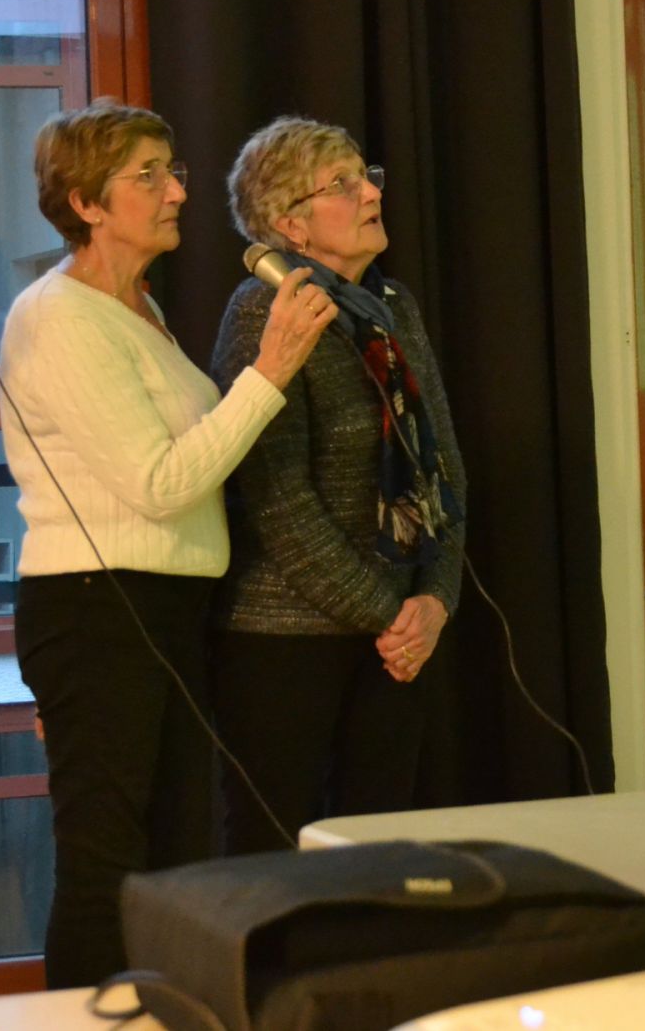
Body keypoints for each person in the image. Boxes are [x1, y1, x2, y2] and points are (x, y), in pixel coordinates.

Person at [0, 100, 334, 988]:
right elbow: (159, 483)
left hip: (165, 604)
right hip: (97, 606)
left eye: (172, 170)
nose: (177, 190)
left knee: (175, 857)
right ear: (85, 203)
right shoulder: (58, 316)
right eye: (146, 175)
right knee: (107, 859)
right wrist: (270, 371)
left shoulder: (139, 308)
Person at [209, 116, 468, 854]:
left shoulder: (393, 307)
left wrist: (436, 600)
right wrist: (393, 616)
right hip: (286, 636)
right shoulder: (262, 311)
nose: (371, 194)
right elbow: (277, 500)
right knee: (273, 852)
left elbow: (443, 466)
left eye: (367, 177)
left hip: (399, 632)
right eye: (343, 185)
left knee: (377, 849)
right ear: (290, 224)